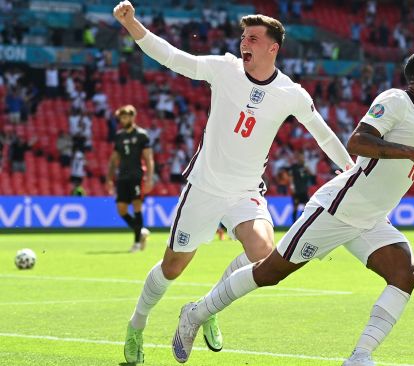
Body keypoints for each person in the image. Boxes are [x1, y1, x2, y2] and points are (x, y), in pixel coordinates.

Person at [169, 50, 414, 365]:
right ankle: (196, 313)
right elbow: (358, 141)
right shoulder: (396, 101)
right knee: (269, 272)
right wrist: (413, 152)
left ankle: (359, 357)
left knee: (405, 274)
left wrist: (413, 154)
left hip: (371, 218)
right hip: (337, 210)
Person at [112, 2, 354, 364]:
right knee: (172, 267)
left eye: (253, 38)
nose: (245, 43)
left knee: (265, 255)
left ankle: (204, 311)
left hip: (245, 192)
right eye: (243, 37)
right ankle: (137, 325)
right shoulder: (224, 69)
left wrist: (351, 169)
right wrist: (132, 24)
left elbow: (323, 134)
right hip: (204, 188)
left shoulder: (292, 92)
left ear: (273, 48)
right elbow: (173, 57)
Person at [106, 104, 154, 253]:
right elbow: (114, 159)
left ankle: (137, 243)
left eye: (126, 117)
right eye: (122, 117)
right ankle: (141, 232)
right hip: (122, 177)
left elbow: (148, 158)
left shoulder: (141, 135)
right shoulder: (119, 136)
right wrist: (109, 178)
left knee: (137, 206)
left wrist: (149, 178)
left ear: (133, 117)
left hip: (136, 176)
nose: (123, 119)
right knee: (121, 209)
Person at [289, 150, 313, 221]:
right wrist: (292, 187)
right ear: (298, 158)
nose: (301, 158)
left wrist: (307, 169)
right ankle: (293, 223)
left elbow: (312, 175)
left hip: (304, 190)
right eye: (300, 157)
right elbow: (291, 178)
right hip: (296, 190)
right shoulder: (294, 167)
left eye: (302, 157)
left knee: (307, 207)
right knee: (295, 207)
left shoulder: (305, 167)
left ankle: (301, 220)